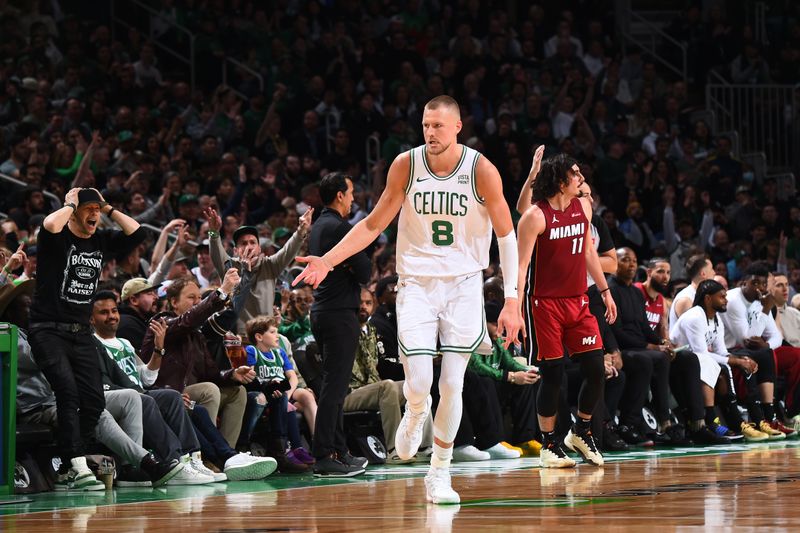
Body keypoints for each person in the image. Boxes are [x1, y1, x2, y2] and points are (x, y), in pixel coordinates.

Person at [294, 96, 524, 503]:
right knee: (419, 382)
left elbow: (507, 235)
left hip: (464, 284)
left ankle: (439, 472)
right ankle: (416, 410)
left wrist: (511, 299)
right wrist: (328, 261)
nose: (430, 133)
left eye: (438, 125)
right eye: (425, 125)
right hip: (416, 282)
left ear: (458, 127)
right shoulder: (406, 164)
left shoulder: (481, 169)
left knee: (452, 382)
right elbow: (373, 223)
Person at [28, 187, 145, 490]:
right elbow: (51, 225)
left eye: (97, 209)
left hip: (81, 334)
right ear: (75, 211)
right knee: (68, 393)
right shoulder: (56, 237)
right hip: (48, 329)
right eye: (88, 209)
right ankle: (75, 463)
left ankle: (67, 461)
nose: (93, 214)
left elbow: (136, 232)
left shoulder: (100, 240)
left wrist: (107, 209)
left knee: (93, 401)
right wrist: (70, 203)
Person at [516, 153, 617, 469]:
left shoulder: (584, 207)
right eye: (576, 175)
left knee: (596, 369)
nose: (581, 179)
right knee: (553, 373)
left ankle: (582, 430)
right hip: (544, 304)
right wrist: (514, 308)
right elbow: (521, 268)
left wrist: (604, 290)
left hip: (579, 301)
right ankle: (549, 445)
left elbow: (588, 250)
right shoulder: (535, 216)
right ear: (561, 181)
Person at [300, 172, 371, 477]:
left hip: (324, 311)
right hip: (339, 313)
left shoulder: (319, 226)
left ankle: (339, 450)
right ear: (340, 195)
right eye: (351, 192)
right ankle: (324, 454)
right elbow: (366, 271)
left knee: (335, 387)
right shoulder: (340, 227)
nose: (353, 198)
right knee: (334, 388)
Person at [670, 279, 768, 442]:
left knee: (736, 365)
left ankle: (747, 420)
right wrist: (736, 362)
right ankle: (714, 420)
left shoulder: (716, 319)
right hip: (678, 363)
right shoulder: (695, 316)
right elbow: (699, 352)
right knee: (713, 363)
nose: (726, 300)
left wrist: (742, 360)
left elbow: (721, 352)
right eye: (721, 297)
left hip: (695, 362)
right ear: (708, 298)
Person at [345, 287, 433, 464]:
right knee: (387, 386)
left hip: (372, 389)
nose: (363, 306)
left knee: (418, 386)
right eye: (360, 302)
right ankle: (395, 449)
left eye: (368, 303)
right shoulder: (345, 329)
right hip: (348, 393)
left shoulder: (370, 330)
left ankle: (425, 447)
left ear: (374, 306)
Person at [205, 205, 313, 333]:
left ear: (259, 248)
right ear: (235, 250)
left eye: (252, 242)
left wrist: (301, 230)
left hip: (267, 336)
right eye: (243, 243)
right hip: (240, 338)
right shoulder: (230, 267)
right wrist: (213, 232)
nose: (249, 247)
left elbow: (288, 250)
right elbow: (216, 253)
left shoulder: (270, 265)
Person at [719, 263, 793, 438]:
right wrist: (766, 309)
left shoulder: (759, 301)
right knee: (757, 355)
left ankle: (770, 417)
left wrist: (766, 344)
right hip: (728, 349)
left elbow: (776, 337)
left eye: (762, 284)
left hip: (745, 349)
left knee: (766, 352)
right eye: (754, 283)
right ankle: (759, 419)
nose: (759, 288)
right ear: (743, 283)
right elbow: (745, 339)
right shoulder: (733, 300)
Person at [243, 316, 313, 473]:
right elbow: (251, 378)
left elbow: (292, 377)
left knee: (286, 401)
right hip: (262, 392)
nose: (277, 336)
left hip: (282, 394)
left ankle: (293, 449)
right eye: (273, 332)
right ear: (259, 337)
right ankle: (288, 450)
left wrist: (288, 394)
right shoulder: (251, 351)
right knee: (282, 402)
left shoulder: (280, 353)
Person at [668, 254, 714, 328]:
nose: (714, 273)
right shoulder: (686, 300)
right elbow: (693, 332)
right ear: (703, 274)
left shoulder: (704, 295)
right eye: (711, 269)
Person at [116, 277, 159, 353]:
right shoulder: (128, 325)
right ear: (134, 300)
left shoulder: (140, 320)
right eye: (149, 294)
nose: (156, 297)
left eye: (154, 293)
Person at [635, 257, 671, 339]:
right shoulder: (637, 290)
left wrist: (668, 346)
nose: (666, 277)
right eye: (660, 272)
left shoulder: (662, 301)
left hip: (650, 345)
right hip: (635, 344)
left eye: (668, 273)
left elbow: (663, 329)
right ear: (649, 272)